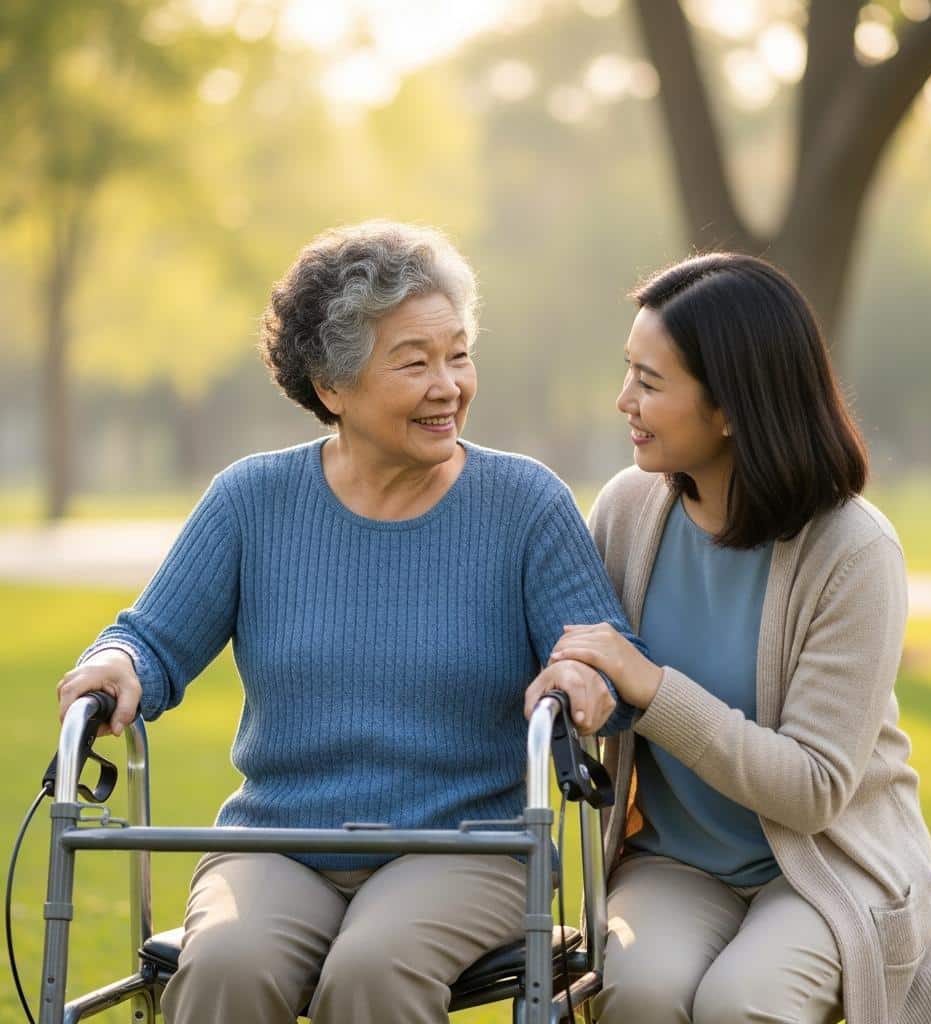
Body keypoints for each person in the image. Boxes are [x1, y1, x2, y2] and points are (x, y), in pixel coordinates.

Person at [56, 221, 639, 1024]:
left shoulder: (524, 504)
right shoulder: (250, 501)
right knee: (224, 962)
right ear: (332, 387)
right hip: (280, 841)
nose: (449, 386)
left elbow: (608, 657)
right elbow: (151, 640)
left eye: (458, 355)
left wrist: (584, 677)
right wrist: (118, 662)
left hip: (470, 846)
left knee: (374, 969)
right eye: (414, 362)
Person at [527, 253, 931, 1024]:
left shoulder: (854, 551)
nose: (622, 400)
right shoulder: (626, 511)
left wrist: (651, 686)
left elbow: (814, 789)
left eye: (650, 383)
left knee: (743, 1001)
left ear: (731, 407)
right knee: (641, 992)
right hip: (675, 863)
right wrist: (573, 682)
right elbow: (587, 662)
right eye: (628, 371)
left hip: (827, 864)